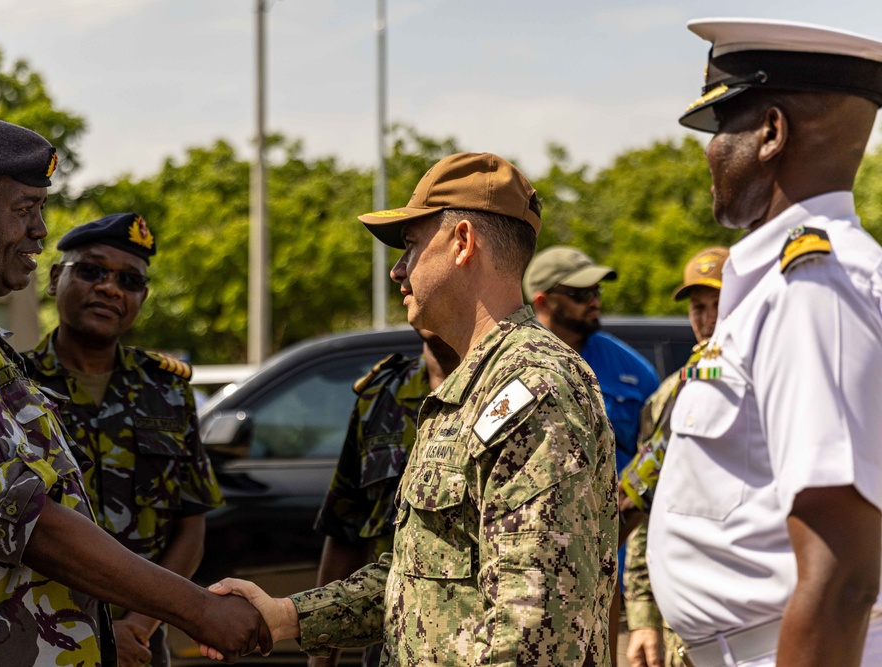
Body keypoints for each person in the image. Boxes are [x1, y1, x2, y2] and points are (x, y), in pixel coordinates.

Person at [0, 116, 269, 666]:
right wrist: (201, 611)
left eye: (40, 210)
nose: (39, 229)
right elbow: (29, 521)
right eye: (25, 210)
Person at [206, 151, 617, 666]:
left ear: (463, 242)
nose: (399, 270)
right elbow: (417, 579)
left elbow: (534, 627)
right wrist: (284, 615)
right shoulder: (471, 387)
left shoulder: (532, 387)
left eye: (412, 246)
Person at [648, 19, 882, 667]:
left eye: (722, 127)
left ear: (772, 132)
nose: (710, 152)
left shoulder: (812, 290)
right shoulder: (785, 284)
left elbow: (842, 577)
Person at [22, 213, 225, 667]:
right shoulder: (11, 385)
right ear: (56, 279)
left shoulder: (168, 391)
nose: (110, 289)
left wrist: (137, 625)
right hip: (38, 638)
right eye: (92, 271)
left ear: (142, 298)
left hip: (140, 645)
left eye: (129, 280)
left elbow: (190, 525)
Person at [523, 245, 660, 664]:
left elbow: (657, 469)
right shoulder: (511, 361)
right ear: (544, 299)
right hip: (530, 571)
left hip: (613, 571)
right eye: (582, 294)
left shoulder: (631, 370)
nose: (595, 300)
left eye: (597, 291)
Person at [309, 329, 459, 667]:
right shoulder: (379, 397)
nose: (401, 275)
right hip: (388, 647)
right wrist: (322, 660)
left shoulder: (511, 389)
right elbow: (346, 530)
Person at [622, 247, 727, 667]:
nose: (708, 318)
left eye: (720, 304)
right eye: (699, 307)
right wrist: (643, 616)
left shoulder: (773, 381)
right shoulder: (670, 395)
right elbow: (647, 509)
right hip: (685, 615)